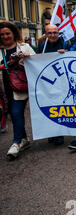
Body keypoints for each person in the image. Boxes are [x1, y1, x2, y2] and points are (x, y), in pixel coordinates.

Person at [0, 22, 36, 160]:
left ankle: (16, 142)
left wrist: (28, 57)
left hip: (21, 86)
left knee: (16, 112)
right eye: (2, 34)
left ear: (13, 33)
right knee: (11, 113)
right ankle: (24, 139)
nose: (5, 36)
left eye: (7, 33)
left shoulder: (25, 47)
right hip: (4, 88)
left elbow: (37, 63)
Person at [39, 24, 71, 146]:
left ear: (59, 33)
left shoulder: (65, 44)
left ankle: (59, 133)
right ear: (46, 34)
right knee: (49, 106)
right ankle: (51, 132)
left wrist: (66, 52)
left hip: (62, 81)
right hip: (48, 81)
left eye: (55, 32)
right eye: (50, 33)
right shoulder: (43, 46)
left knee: (60, 107)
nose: (53, 35)